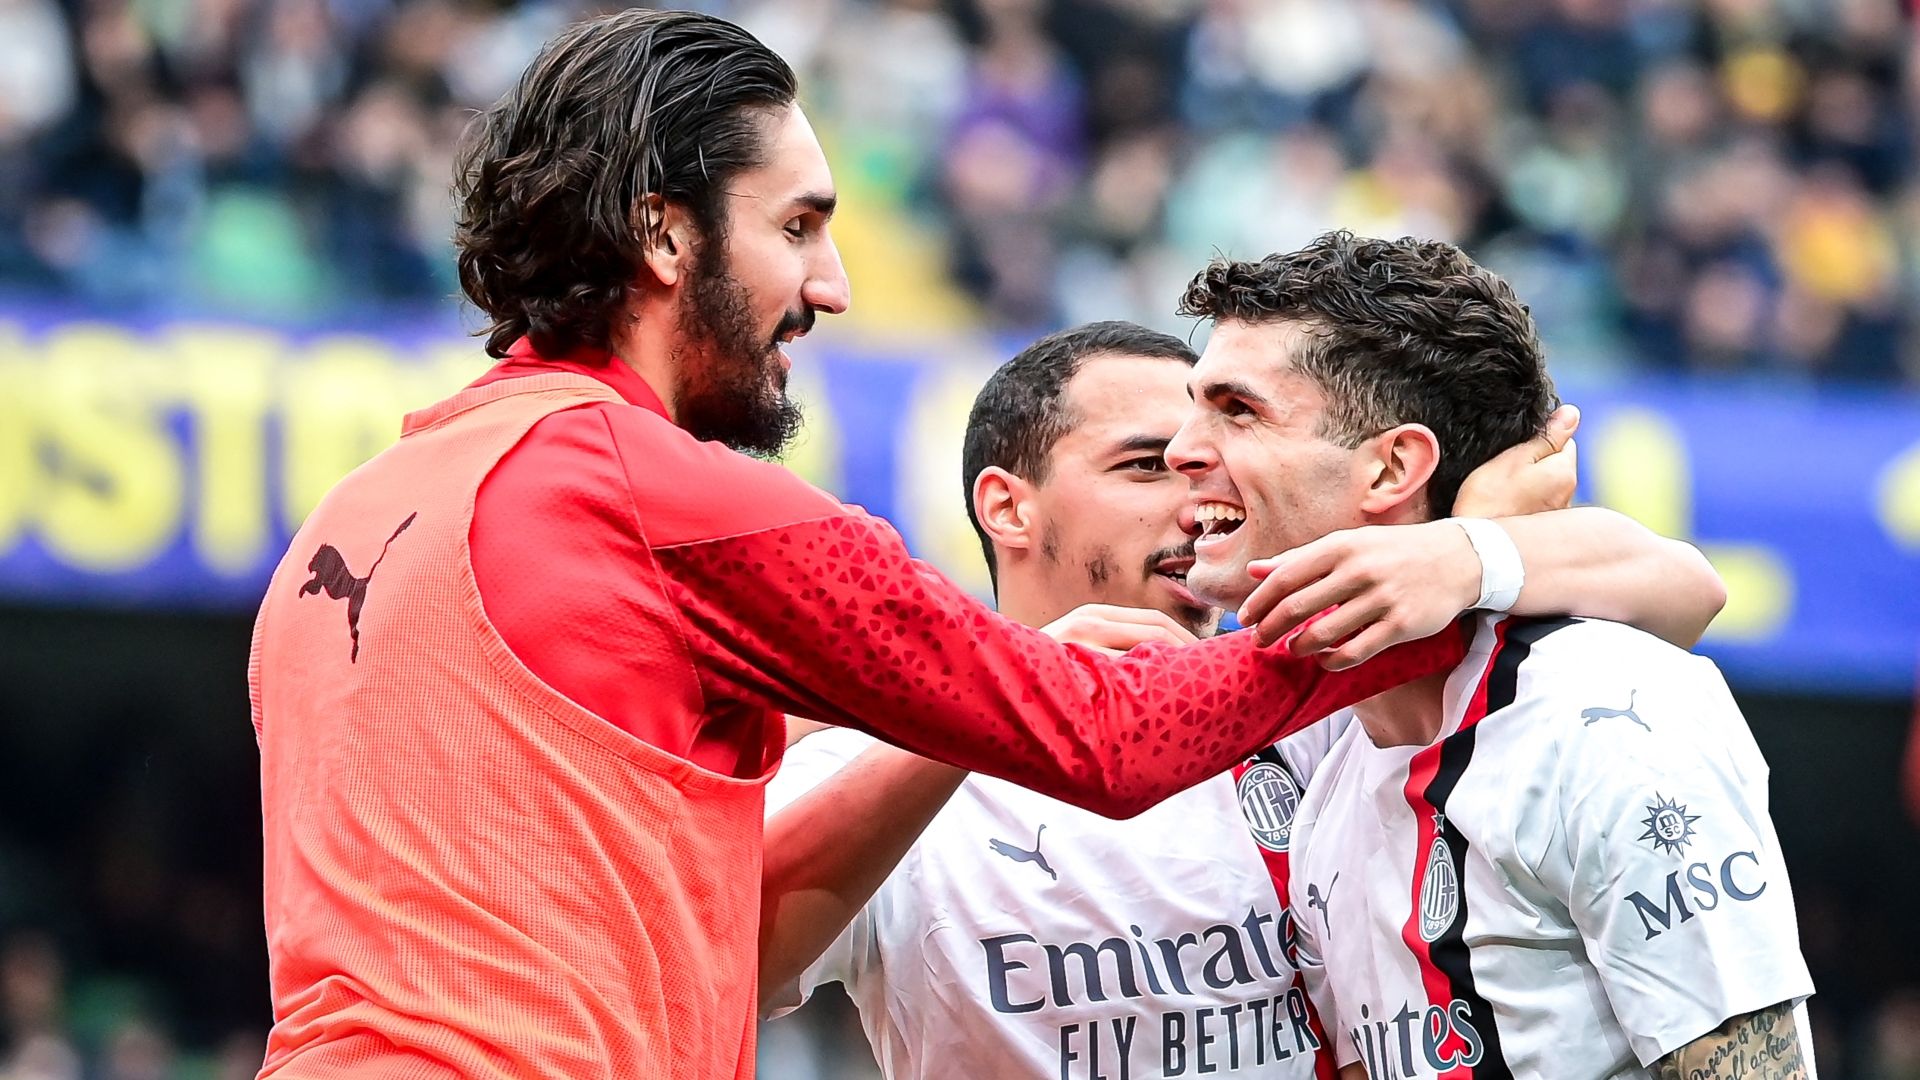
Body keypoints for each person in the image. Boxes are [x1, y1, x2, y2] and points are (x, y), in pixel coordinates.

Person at [247, 14, 1476, 1080]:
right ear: (664, 235)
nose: (830, 285)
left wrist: (943, 727)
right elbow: (1112, 739)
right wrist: (1433, 581)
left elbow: (707, 918)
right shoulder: (659, 496)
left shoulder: (350, 518)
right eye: (796, 227)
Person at [759, 320, 1727, 1079]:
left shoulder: (1327, 706)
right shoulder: (886, 773)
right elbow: (731, 955)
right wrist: (989, 710)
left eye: (1205, 460)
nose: (1194, 501)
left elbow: (1683, 591)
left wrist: (1458, 553)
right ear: (1008, 507)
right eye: (1148, 465)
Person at [1161, 232, 1812, 1079]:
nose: (1180, 449)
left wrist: (1471, 551)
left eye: (1238, 410)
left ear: (1392, 468)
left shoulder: (1605, 718)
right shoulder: (1335, 777)